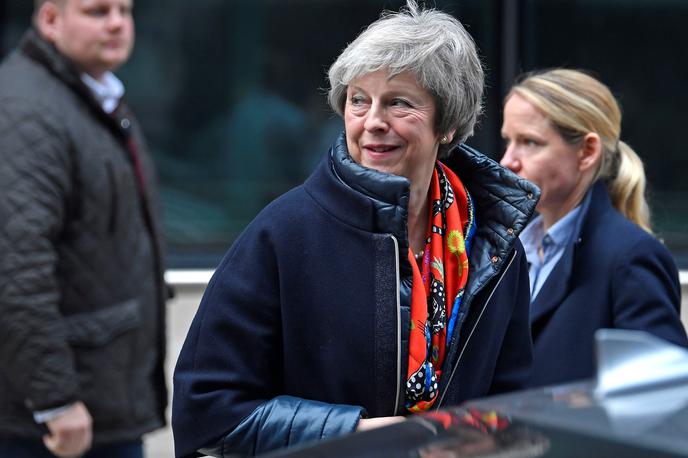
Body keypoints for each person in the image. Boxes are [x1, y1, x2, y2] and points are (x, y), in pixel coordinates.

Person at [172, 2, 539, 457]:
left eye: (399, 103)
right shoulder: (284, 233)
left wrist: (482, 442)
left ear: (449, 124)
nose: (372, 122)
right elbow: (207, 412)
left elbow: (514, 404)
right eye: (358, 100)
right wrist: (358, 435)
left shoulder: (494, 243)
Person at [0, 1, 168, 457]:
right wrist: (54, 400)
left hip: (96, 405)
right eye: (97, 11)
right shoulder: (27, 111)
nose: (116, 23)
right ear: (51, 20)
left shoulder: (88, 97)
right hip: (54, 425)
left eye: (125, 11)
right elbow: (15, 268)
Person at [499, 68, 688, 388]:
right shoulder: (510, 249)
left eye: (529, 142)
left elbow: (661, 399)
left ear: (587, 152)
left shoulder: (630, 256)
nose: (507, 160)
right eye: (508, 141)